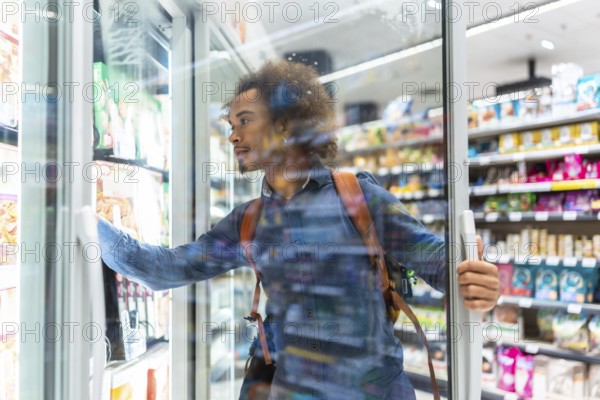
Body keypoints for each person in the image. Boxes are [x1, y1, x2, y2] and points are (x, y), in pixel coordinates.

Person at [98, 60, 500, 399]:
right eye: (231, 123)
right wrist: (84, 221)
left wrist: (474, 278)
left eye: (245, 121)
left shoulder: (358, 197)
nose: (234, 135)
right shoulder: (248, 221)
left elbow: (434, 260)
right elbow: (163, 269)